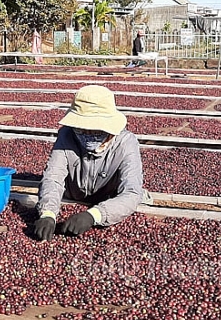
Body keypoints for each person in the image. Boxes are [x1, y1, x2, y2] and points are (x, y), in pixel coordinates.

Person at [33, 85, 144, 241]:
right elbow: (53, 177)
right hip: (72, 195)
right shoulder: (66, 135)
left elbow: (132, 193)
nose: (88, 134)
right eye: (82, 129)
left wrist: (94, 215)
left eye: (95, 130)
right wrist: (48, 213)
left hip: (110, 202)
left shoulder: (126, 143)